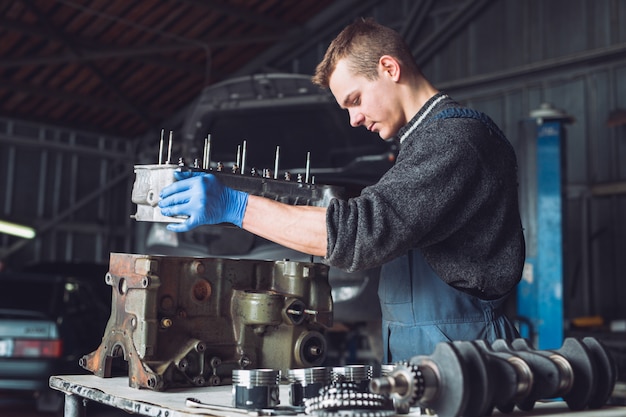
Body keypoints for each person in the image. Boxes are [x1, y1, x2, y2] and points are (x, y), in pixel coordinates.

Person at [158, 18, 525, 363]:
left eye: (355, 100)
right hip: (427, 347)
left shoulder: (455, 142)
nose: (354, 119)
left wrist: (234, 205)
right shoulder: (421, 146)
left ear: (389, 69)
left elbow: (360, 234)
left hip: (465, 348)